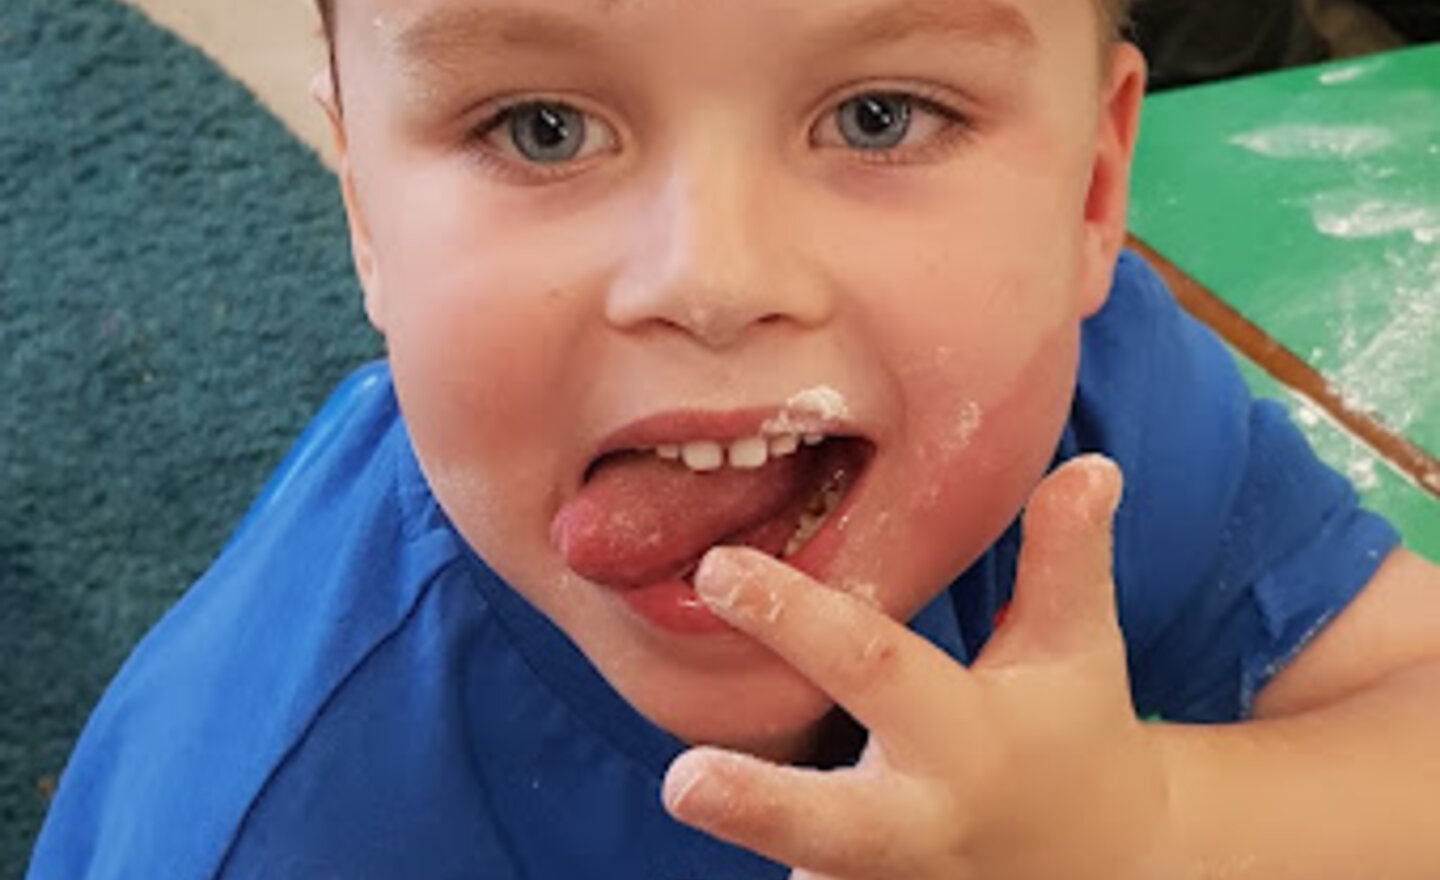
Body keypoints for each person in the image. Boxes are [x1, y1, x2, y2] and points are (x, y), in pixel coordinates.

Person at [27, 0, 1440, 877]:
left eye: (880, 116)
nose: (710, 279)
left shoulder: (1094, 404)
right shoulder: (269, 830)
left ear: (1086, 192)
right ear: (364, 219)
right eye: (542, 126)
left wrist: (1140, 831)